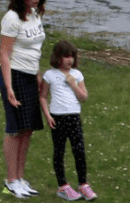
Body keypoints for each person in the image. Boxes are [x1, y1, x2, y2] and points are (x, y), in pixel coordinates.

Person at [0, 0, 47, 199]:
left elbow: (34, 50)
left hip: (29, 76)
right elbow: (5, 54)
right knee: (15, 128)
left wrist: (37, 77)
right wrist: (9, 87)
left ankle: (20, 177)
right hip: (14, 75)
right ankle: (10, 180)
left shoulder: (35, 15)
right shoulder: (11, 18)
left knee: (28, 129)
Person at [41, 41, 96, 201]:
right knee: (59, 152)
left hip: (74, 118)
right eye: (66, 56)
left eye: (72, 56)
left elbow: (84, 97)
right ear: (58, 57)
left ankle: (83, 185)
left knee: (79, 151)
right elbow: (43, 96)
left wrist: (73, 84)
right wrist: (47, 115)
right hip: (57, 118)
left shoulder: (77, 75)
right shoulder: (50, 75)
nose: (69, 60)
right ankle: (63, 186)